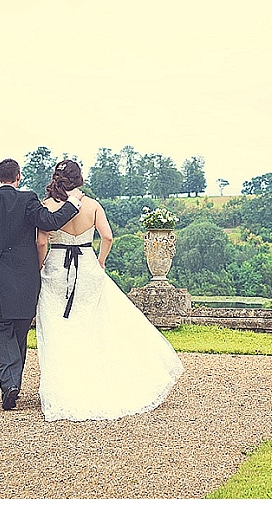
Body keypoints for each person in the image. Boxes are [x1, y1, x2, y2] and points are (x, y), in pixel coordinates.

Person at [35, 160, 184, 422]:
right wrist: (100, 261)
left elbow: (41, 240)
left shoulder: (46, 206)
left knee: (59, 328)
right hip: (87, 265)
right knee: (93, 326)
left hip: (56, 269)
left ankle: (63, 387)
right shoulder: (92, 206)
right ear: (78, 179)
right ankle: (96, 379)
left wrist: (42, 264)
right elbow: (108, 236)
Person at [0, 158, 84, 411]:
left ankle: (10, 383)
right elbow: (49, 222)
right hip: (24, 278)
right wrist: (73, 203)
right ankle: (11, 383)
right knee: (19, 333)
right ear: (18, 177)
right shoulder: (27, 200)